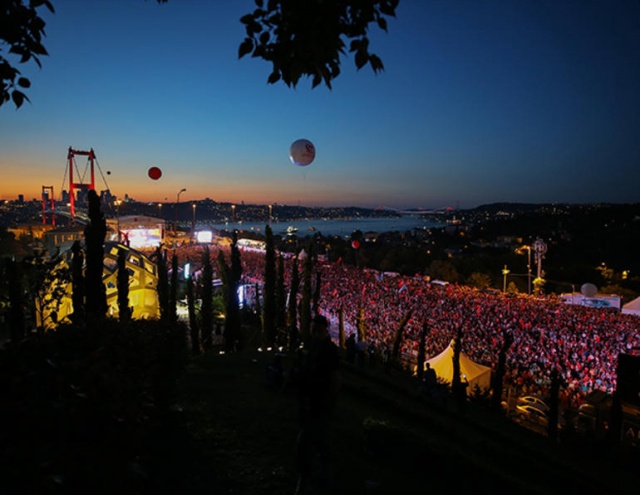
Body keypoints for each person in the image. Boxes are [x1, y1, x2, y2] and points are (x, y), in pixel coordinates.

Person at [295, 314, 341, 494]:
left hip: (320, 404)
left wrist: (328, 402)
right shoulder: (314, 347)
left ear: (325, 330)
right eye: (312, 329)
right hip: (311, 402)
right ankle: (324, 475)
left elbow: (336, 379)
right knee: (321, 440)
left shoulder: (330, 351)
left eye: (318, 330)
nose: (314, 333)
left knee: (305, 441)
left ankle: (305, 478)